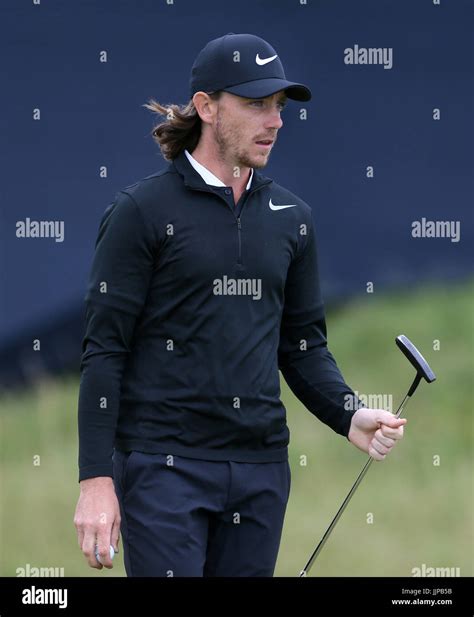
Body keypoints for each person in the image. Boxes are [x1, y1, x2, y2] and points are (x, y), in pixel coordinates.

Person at [73, 33, 406, 577]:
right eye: (256, 104)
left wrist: (349, 412)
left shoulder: (290, 218)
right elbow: (104, 351)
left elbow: (302, 347)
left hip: (260, 473)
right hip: (163, 468)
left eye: (278, 106)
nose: (274, 121)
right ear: (206, 107)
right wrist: (95, 481)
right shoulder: (141, 211)